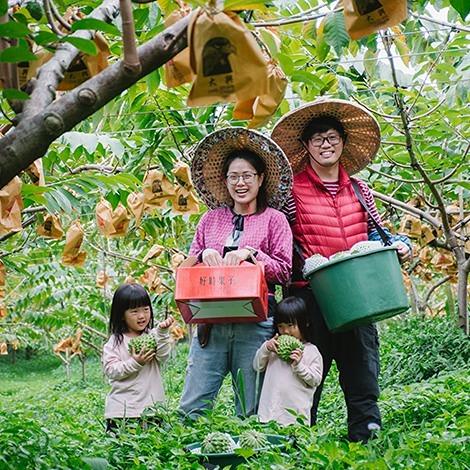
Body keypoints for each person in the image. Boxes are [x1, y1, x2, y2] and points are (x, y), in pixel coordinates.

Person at [271, 98, 412, 442]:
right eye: (317, 138)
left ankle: (366, 436)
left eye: (332, 137)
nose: (325, 144)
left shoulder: (359, 189)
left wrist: (400, 243)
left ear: (343, 143)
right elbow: (280, 234)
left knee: (361, 368)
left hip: (358, 294)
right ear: (305, 147)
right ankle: (299, 440)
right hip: (311, 295)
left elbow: (377, 231)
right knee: (306, 370)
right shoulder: (291, 191)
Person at [179, 127, 293, 419]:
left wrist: (252, 255)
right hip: (211, 323)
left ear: (260, 179)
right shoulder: (210, 220)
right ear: (225, 181)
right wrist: (204, 255)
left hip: (254, 323)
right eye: (233, 177)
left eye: (247, 176)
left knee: (250, 405)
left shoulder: (275, 220)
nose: (240, 183)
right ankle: (193, 459)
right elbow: (189, 265)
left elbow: (284, 270)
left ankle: (249, 459)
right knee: (194, 404)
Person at [102, 283, 175, 431]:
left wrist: (162, 333)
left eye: (146, 310)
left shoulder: (153, 336)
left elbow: (163, 356)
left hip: (152, 410)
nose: (142, 316)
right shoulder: (115, 342)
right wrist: (135, 362)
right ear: (121, 315)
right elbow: (111, 370)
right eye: (134, 311)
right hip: (122, 412)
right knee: (125, 452)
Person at [253, 296, 323, 426]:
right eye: (281, 326)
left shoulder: (311, 351)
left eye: (291, 326)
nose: (286, 331)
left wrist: (299, 365)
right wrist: (266, 348)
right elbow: (257, 366)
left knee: (293, 446)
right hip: (269, 415)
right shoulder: (274, 350)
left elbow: (315, 380)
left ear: (305, 323)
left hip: (295, 419)